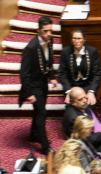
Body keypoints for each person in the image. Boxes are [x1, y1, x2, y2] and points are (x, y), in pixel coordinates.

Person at [19, 16, 58, 154]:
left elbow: (50, 60)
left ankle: (34, 135)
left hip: (43, 83)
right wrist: (29, 93)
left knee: (38, 111)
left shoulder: (50, 40)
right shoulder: (30, 48)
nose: (49, 34)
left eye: (50, 31)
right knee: (42, 113)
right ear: (38, 31)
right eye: (45, 31)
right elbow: (24, 73)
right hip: (34, 87)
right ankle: (45, 147)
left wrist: (52, 77)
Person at [58, 29, 101, 107]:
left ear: (84, 39)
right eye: (74, 38)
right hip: (72, 87)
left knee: (88, 106)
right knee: (71, 107)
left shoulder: (92, 51)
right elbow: (62, 73)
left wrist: (91, 91)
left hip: (88, 86)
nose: (76, 41)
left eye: (79, 38)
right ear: (71, 40)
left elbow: (97, 74)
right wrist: (68, 90)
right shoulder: (65, 51)